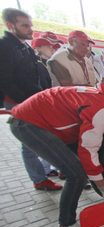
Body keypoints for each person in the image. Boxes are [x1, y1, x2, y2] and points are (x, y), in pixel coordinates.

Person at [9, 79, 104, 227]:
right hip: (30, 124)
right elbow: (88, 148)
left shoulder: (102, 97)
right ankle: (65, 225)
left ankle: (102, 192)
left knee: (81, 168)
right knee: (76, 175)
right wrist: (103, 185)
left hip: (32, 118)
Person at [0, 8, 62, 191]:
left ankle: (46, 172)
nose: (30, 29)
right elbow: (5, 80)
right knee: (29, 142)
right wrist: (26, 102)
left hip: (33, 100)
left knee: (42, 138)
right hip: (20, 103)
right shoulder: (4, 46)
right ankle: (39, 179)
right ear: (10, 25)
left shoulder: (25, 46)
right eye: (25, 25)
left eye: (31, 25)